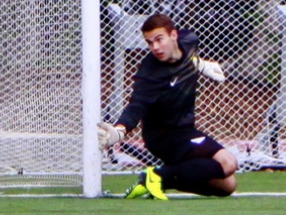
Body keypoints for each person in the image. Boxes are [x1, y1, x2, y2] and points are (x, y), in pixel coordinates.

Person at [97, 13, 238, 200]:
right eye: (149, 42)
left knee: (227, 186)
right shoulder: (150, 72)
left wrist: (200, 64)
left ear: (173, 36)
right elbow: (136, 106)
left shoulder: (189, 40)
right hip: (163, 137)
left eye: (159, 39)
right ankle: (156, 176)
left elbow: (188, 56)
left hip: (185, 131)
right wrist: (119, 130)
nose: (155, 47)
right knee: (228, 163)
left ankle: (158, 181)